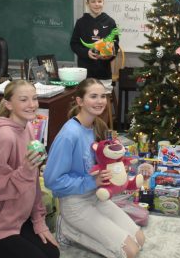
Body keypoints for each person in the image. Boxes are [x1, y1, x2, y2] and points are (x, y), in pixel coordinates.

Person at [43, 78, 145, 258]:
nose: (100, 101)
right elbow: (52, 181)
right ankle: (68, 229)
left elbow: (110, 159)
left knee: (140, 239)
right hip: (75, 203)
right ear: (80, 101)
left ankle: (76, 229)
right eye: (93, 96)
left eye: (103, 96)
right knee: (131, 252)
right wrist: (91, 181)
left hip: (97, 197)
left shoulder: (97, 126)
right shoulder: (69, 135)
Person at [0, 80, 60, 258]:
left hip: (14, 217)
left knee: (52, 254)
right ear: (9, 104)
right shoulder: (4, 137)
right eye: (23, 100)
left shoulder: (29, 127)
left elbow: (33, 184)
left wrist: (39, 221)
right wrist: (25, 170)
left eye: (34, 98)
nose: (32, 105)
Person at [70, 0, 119, 92]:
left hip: (103, 72)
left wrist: (109, 56)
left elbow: (115, 45)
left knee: (102, 100)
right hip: (85, 72)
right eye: (93, 1)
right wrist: (86, 52)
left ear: (103, 2)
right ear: (87, 3)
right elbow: (74, 44)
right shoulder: (81, 22)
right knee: (86, 98)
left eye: (99, 1)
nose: (97, 4)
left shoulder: (110, 22)